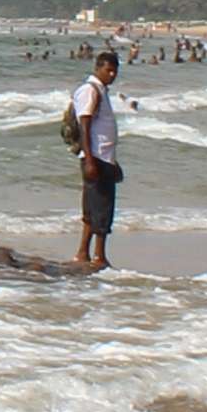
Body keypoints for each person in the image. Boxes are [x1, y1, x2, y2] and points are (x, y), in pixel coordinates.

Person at [64, 48, 126, 272]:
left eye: (115, 71)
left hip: (104, 157)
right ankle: (98, 256)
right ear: (98, 68)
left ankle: (84, 253)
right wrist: (90, 159)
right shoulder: (90, 91)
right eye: (108, 70)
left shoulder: (101, 90)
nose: (112, 75)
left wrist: (113, 160)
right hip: (96, 158)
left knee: (94, 208)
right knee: (101, 208)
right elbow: (85, 125)